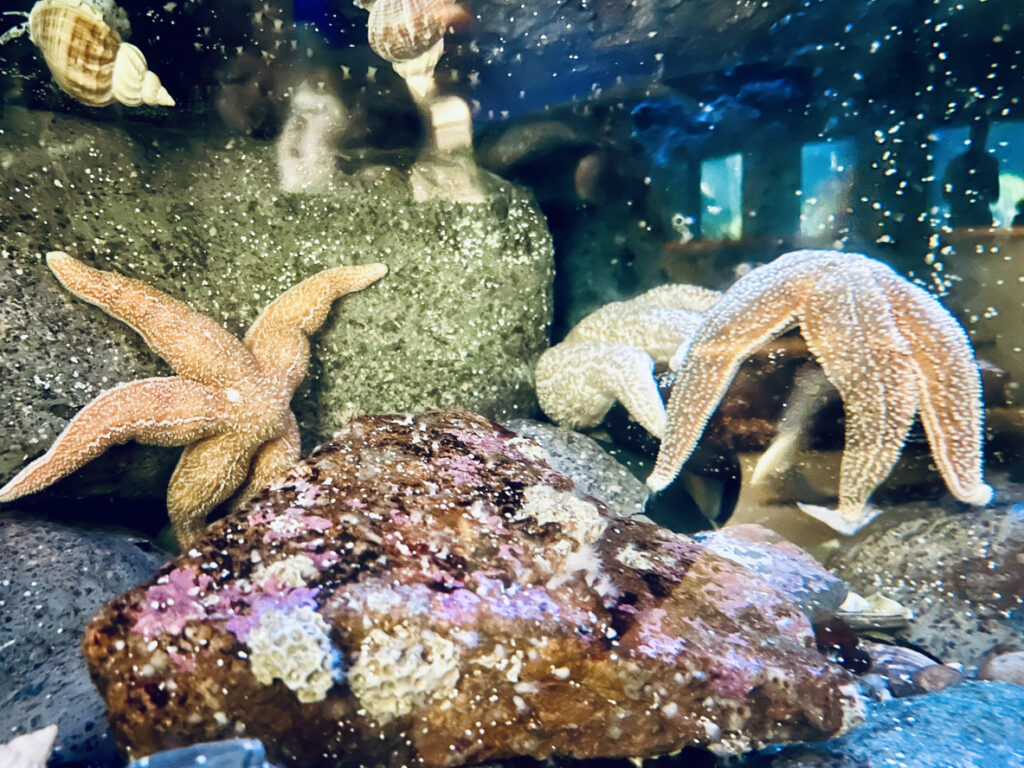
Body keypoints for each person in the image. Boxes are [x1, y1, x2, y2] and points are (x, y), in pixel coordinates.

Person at [942, 120, 1000, 228]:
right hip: (973, 219)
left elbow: (946, 194)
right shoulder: (989, 163)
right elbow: (994, 196)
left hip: (968, 219)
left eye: (981, 133)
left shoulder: (957, 163)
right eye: (978, 133)